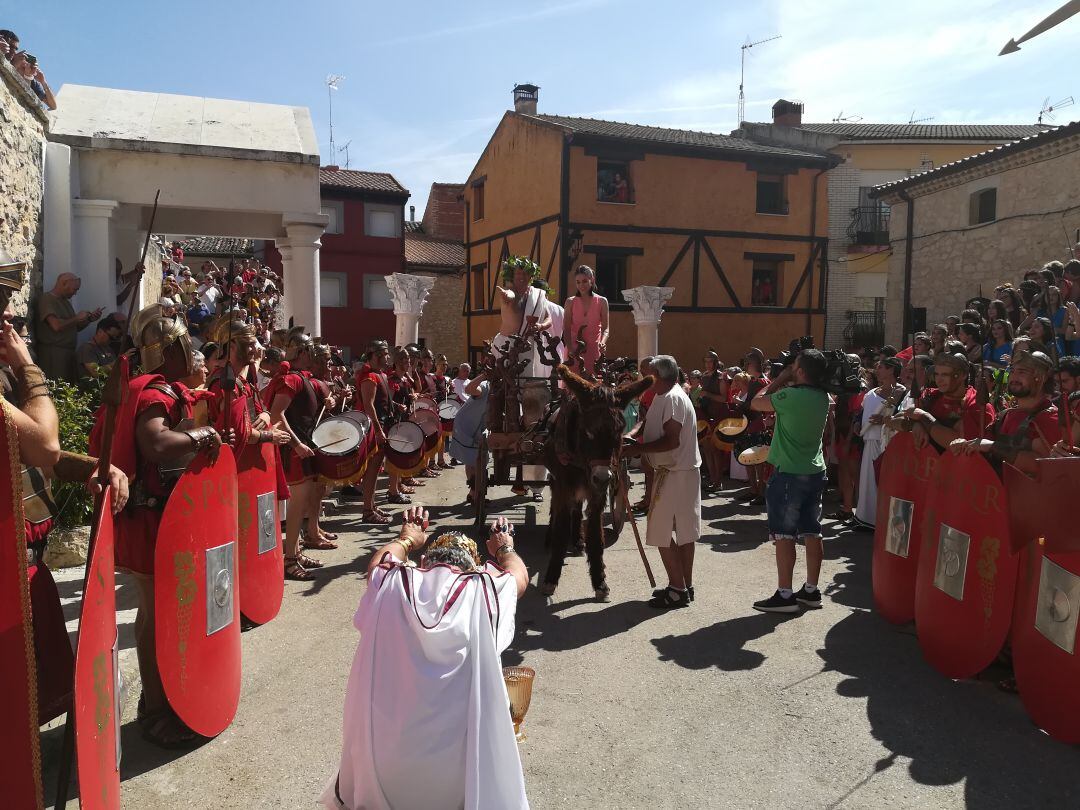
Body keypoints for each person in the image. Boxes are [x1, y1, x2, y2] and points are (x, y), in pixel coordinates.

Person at [321, 509, 529, 810]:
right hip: (456, 783)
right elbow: (519, 577)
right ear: (474, 568)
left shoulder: (392, 581)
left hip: (385, 776)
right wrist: (504, 547)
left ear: (423, 563)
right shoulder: (482, 589)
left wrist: (407, 538)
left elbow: (377, 564)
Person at [90, 303, 222, 747]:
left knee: (154, 612)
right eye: (186, 345)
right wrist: (203, 436)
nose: (193, 352)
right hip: (151, 519)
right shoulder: (157, 393)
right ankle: (159, 708)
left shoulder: (139, 387)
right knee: (157, 616)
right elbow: (158, 444)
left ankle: (159, 702)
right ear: (169, 352)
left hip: (149, 515)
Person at [749, 349, 830, 614]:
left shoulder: (790, 395)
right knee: (812, 530)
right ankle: (811, 590)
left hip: (789, 473)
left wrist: (780, 378)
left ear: (802, 372)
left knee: (784, 535)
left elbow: (757, 402)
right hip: (814, 470)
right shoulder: (823, 397)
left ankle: (785, 594)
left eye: (795, 366)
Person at [626, 356, 700, 609]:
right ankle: (682, 585)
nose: (642, 378)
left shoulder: (674, 398)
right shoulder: (662, 394)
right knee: (682, 531)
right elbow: (648, 422)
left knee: (661, 531)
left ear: (658, 374)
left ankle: (678, 589)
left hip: (676, 472)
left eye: (646, 373)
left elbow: (671, 440)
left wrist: (635, 450)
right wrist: (632, 435)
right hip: (675, 471)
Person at [268, 328, 331, 579]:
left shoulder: (300, 377)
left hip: (302, 448)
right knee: (296, 508)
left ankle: (295, 551)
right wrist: (296, 445)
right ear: (302, 352)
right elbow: (276, 414)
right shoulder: (292, 379)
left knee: (301, 504)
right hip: (294, 452)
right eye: (310, 351)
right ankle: (290, 560)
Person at [950, 351, 1060, 475]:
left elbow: (1042, 465)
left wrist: (993, 446)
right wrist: (965, 446)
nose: (1014, 377)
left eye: (1022, 372)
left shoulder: (1048, 417)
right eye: (1012, 371)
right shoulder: (1004, 416)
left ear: (1042, 378)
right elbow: (983, 450)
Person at [853, 357, 905, 529]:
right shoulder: (871, 392)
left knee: (881, 482)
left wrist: (883, 420)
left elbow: (900, 417)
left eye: (881, 367)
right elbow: (861, 412)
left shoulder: (900, 392)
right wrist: (857, 423)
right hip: (869, 442)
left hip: (886, 443)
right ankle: (865, 518)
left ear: (891, 370)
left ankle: (881, 522)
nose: (877, 369)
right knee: (867, 482)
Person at [34, 273, 102, 381]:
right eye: (74, 289)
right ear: (64, 283)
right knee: (55, 387)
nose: (75, 293)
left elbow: (73, 327)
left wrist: (89, 319)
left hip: (67, 353)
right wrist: (76, 318)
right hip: (54, 353)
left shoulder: (65, 302)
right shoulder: (47, 299)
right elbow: (56, 326)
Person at [449, 370, 492, 504]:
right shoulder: (486, 386)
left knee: (474, 460)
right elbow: (469, 389)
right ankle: (475, 493)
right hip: (466, 425)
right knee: (473, 459)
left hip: (478, 425)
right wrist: (485, 374)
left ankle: (473, 492)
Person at [562, 265, 609, 376]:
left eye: (584, 281)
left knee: (592, 383)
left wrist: (603, 342)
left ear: (592, 280)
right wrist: (570, 349)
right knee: (572, 385)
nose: (581, 285)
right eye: (578, 282)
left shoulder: (602, 302)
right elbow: (567, 329)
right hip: (574, 349)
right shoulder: (570, 302)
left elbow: (606, 328)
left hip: (594, 348)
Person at [76, 314, 122, 379]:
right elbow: (95, 372)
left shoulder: (108, 349)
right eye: (111, 337)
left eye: (116, 338)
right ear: (100, 331)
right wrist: (118, 362)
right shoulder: (86, 348)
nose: (112, 340)